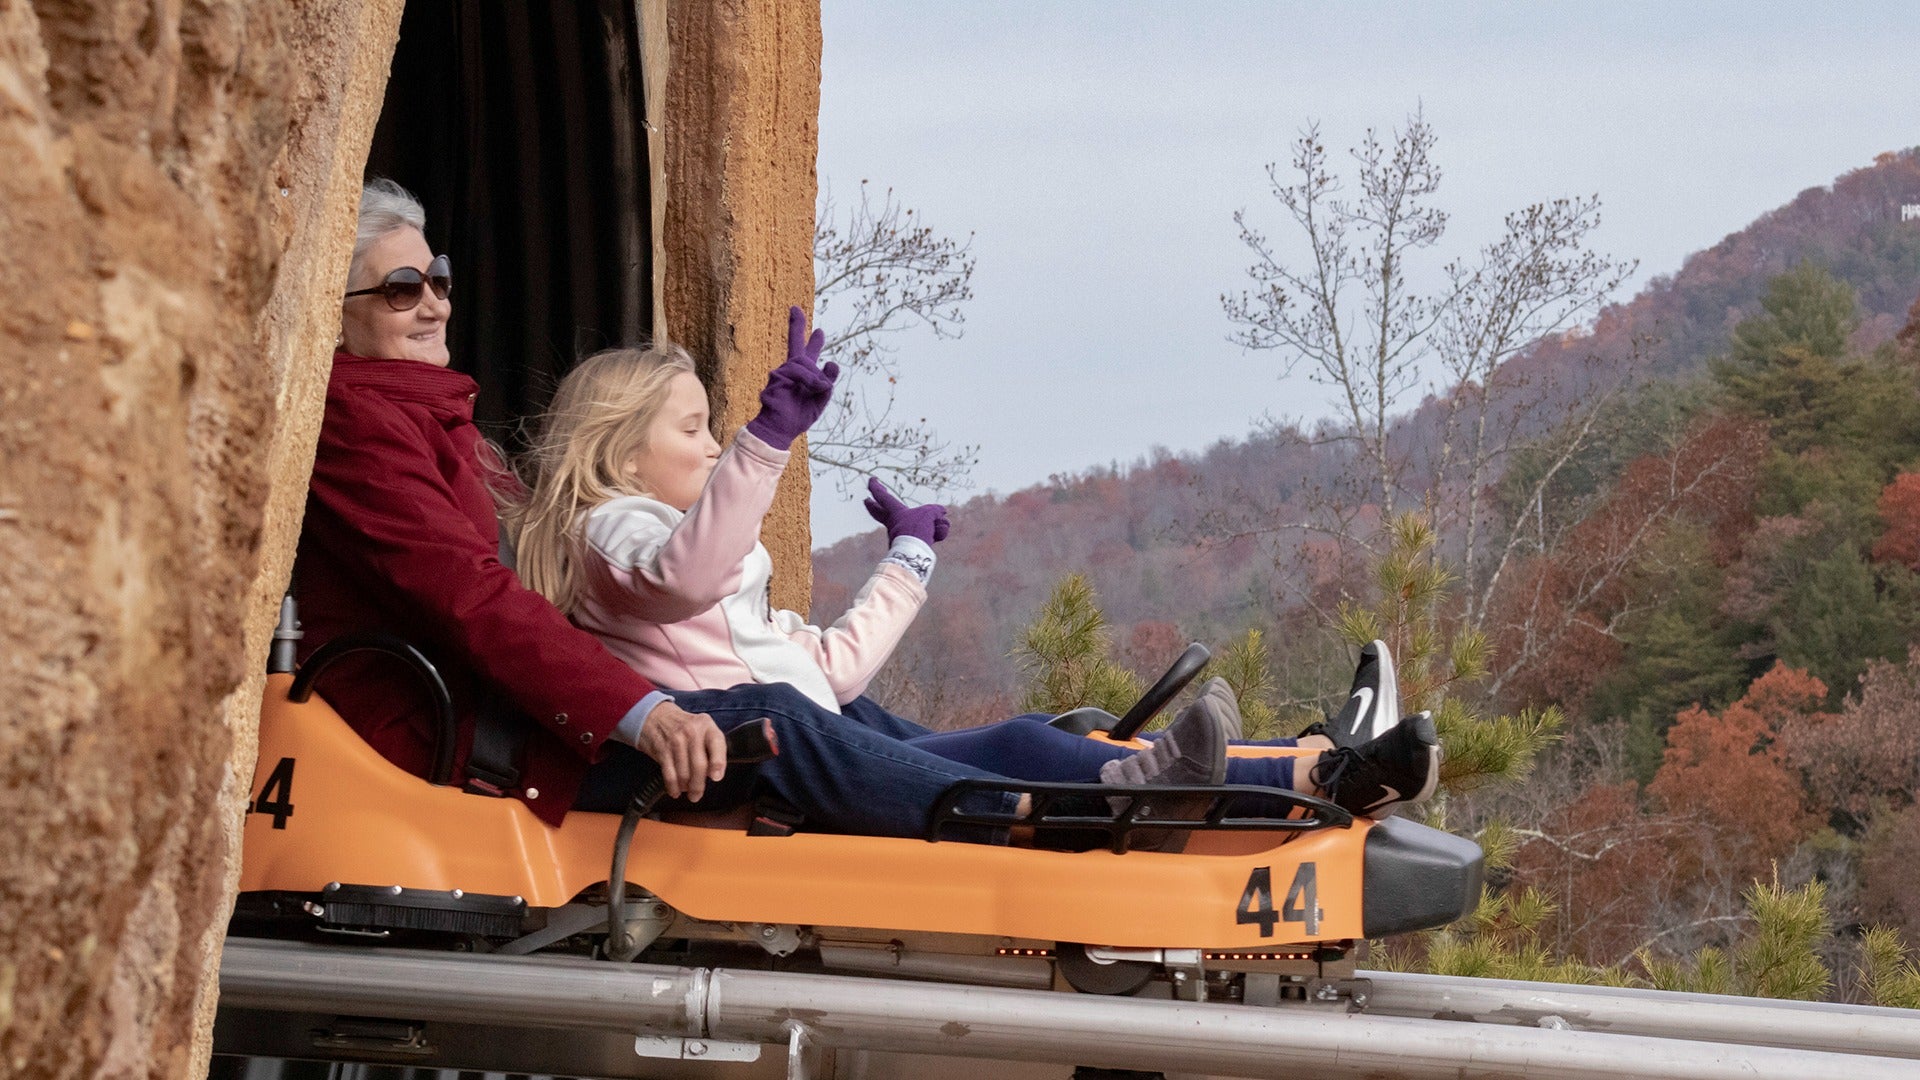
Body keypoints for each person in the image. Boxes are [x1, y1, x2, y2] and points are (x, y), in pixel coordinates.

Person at [300, 177, 1364, 851]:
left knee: (952, 732)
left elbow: (813, 651)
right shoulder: (370, 433)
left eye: (435, 277)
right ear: (334, 311)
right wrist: (639, 711)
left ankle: (1287, 773)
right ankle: (1099, 814)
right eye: (400, 288)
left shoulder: (453, 438)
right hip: (480, 738)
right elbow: (485, 602)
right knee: (787, 725)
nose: (433, 298)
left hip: (558, 708)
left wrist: (905, 558)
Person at [503, 316, 1443, 834]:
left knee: (1024, 740)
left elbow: (830, 673)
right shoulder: (613, 532)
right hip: (750, 760)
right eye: (694, 430)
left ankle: (1320, 767)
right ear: (622, 456)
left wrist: (906, 563)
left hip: (809, 732)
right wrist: (766, 443)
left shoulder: (693, 554)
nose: (715, 447)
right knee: (804, 724)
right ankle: (1158, 804)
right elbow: (684, 577)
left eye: (719, 429)